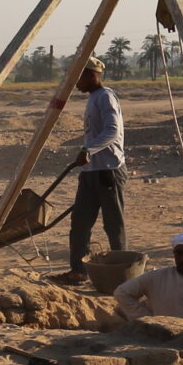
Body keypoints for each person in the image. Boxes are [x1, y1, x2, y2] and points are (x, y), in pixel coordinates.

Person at [61, 58, 127, 279]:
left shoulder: (106, 97)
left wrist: (88, 150)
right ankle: (78, 271)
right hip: (90, 173)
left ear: (91, 75)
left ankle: (121, 273)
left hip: (109, 171)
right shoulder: (93, 99)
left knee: (113, 226)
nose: (75, 83)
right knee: (79, 224)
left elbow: (112, 131)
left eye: (77, 78)